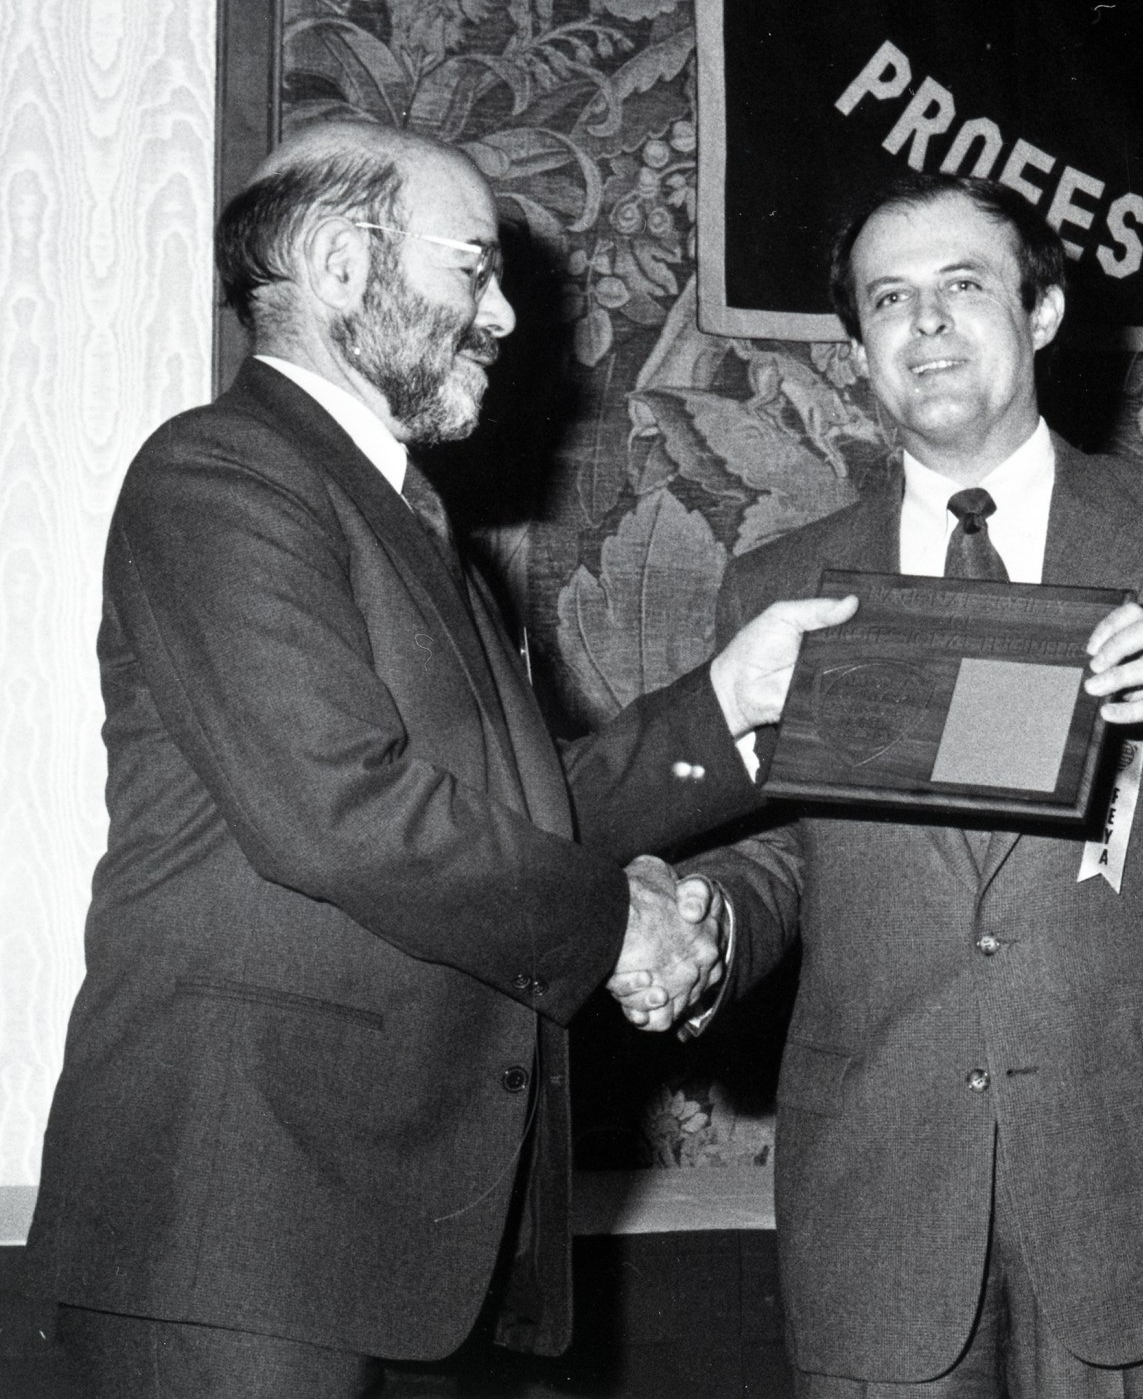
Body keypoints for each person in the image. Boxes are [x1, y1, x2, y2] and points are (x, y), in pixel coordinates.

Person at [27, 120, 853, 1398]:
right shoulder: (219, 472)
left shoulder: (404, 515)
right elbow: (342, 810)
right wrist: (618, 928)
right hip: (237, 1238)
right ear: (344, 267)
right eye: (473, 267)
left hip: (386, 1239)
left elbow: (499, 815)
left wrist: (720, 710)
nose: (508, 316)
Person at [642, 172, 1143, 1397]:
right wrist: (707, 926)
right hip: (883, 1200)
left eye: (963, 286)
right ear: (859, 348)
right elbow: (770, 857)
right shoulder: (779, 584)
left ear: (1047, 309)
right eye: (889, 301)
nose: (925, 325)